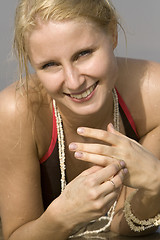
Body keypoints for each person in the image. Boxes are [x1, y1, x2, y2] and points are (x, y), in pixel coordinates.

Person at [0, 0, 160, 239]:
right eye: (50, 65)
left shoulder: (153, 94)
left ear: (113, 34)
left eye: (83, 54)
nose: (74, 82)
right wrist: (63, 216)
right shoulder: (16, 111)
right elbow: (14, 236)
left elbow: (126, 227)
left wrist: (156, 183)